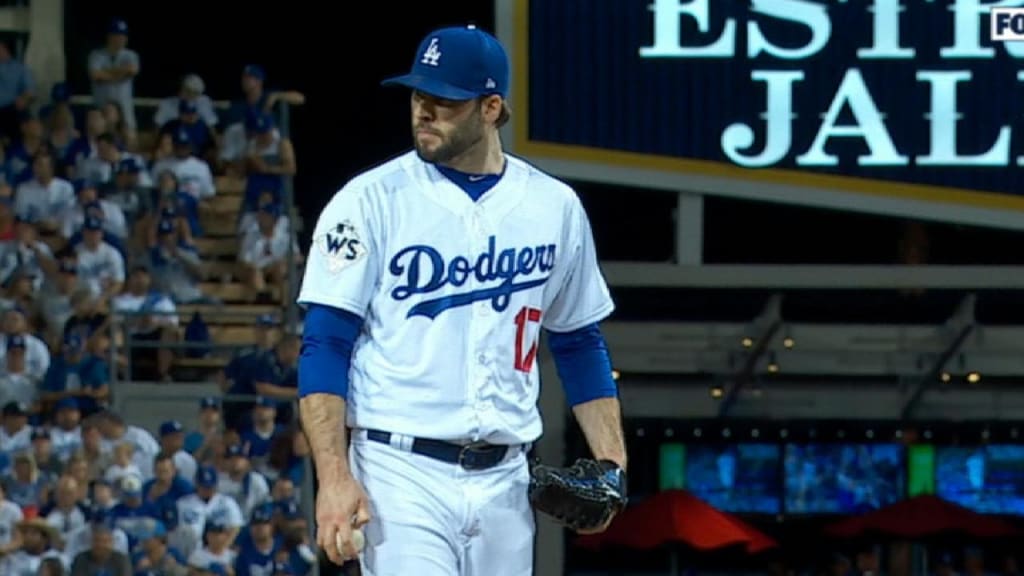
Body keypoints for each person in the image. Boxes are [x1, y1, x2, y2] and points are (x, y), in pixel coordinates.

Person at [295, 24, 626, 576]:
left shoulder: (553, 206)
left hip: (507, 478)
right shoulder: (369, 200)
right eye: (418, 95)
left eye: (443, 100)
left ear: (491, 107)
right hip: (399, 470)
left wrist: (612, 464)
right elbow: (325, 343)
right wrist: (332, 477)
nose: (423, 111)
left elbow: (579, 340)